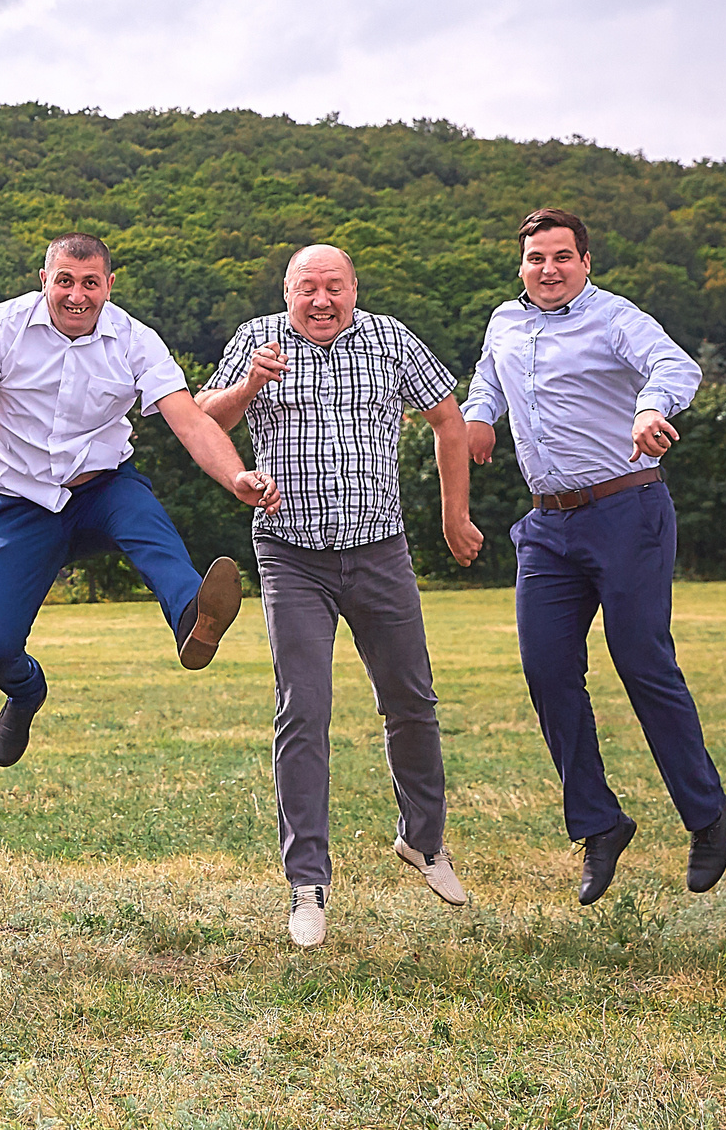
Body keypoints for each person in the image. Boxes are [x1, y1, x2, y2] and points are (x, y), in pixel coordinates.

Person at [202, 244, 480, 947]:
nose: (321, 300)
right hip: (292, 555)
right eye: (307, 288)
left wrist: (453, 515)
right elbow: (206, 420)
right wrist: (249, 385)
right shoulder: (255, 343)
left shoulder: (390, 338)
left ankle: (424, 840)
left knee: (411, 699)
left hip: (380, 549)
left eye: (334, 287)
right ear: (286, 291)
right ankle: (307, 884)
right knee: (304, 709)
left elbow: (449, 418)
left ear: (354, 289)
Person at [0, 233, 278, 768]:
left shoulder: (135, 340)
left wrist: (237, 478)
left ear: (109, 286)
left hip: (103, 487)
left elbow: (189, 420)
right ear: (44, 280)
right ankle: (25, 691)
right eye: (64, 280)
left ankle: (194, 619)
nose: (77, 294)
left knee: (149, 529)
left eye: (90, 283)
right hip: (22, 503)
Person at [464, 207, 726, 904]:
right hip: (548, 526)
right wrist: (477, 416)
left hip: (626, 508)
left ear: (585, 262)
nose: (547, 269)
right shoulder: (504, 321)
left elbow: (676, 364)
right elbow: (490, 377)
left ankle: (705, 813)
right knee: (547, 668)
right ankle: (599, 822)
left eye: (561, 256)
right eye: (535, 258)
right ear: (520, 266)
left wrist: (650, 409)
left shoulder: (614, 317)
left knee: (642, 659)